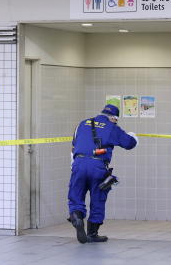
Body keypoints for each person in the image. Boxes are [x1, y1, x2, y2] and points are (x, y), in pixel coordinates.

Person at [68, 104, 138, 243]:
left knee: (76, 195)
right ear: (113, 118)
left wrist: (74, 165)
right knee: (98, 197)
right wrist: (133, 136)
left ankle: (76, 216)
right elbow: (129, 144)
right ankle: (92, 233)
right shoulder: (112, 127)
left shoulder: (82, 124)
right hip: (97, 166)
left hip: (78, 163)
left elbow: (74, 146)